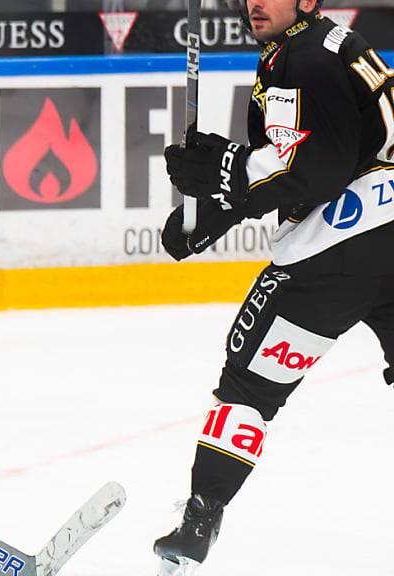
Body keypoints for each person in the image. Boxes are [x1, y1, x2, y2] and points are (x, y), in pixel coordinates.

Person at [154, 0, 394, 573]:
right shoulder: (328, 44)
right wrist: (219, 208)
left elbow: (318, 168)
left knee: (249, 388)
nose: (255, 2)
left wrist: (223, 172)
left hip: (340, 244)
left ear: (306, 0)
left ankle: (200, 519)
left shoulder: (303, 56)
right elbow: (293, 169)